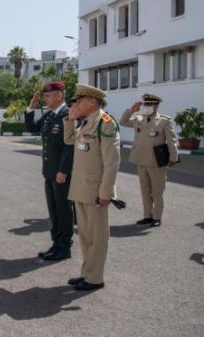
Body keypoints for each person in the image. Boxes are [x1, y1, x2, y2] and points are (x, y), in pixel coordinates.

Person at [63, 84, 120, 291]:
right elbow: (69, 140)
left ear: (92, 102)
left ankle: (95, 278)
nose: (76, 104)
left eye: (79, 101)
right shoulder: (86, 123)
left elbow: (112, 162)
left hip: (96, 192)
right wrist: (70, 120)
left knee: (97, 237)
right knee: (86, 236)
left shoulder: (105, 123)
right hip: (81, 188)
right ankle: (87, 273)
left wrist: (106, 193)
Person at [24, 81, 75, 260]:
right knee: (54, 210)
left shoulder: (68, 114)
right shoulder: (50, 115)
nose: (45, 98)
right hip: (49, 171)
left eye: (48, 95)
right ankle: (56, 244)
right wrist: (31, 107)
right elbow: (31, 128)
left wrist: (64, 170)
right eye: (44, 96)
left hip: (62, 173)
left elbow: (70, 147)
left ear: (60, 95)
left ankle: (64, 247)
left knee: (64, 210)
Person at [120, 94, 179, 227]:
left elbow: (172, 140)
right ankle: (147, 216)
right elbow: (123, 122)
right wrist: (132, 109)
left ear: (156, 105)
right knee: (145, 191)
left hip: (156, 161)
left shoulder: (164, 121)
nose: (146, 107)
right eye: (145, 104)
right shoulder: (138, 119)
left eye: (149, 104)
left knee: (157, 192)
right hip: (141, 160)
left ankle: (157, 217)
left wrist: (173, 158)